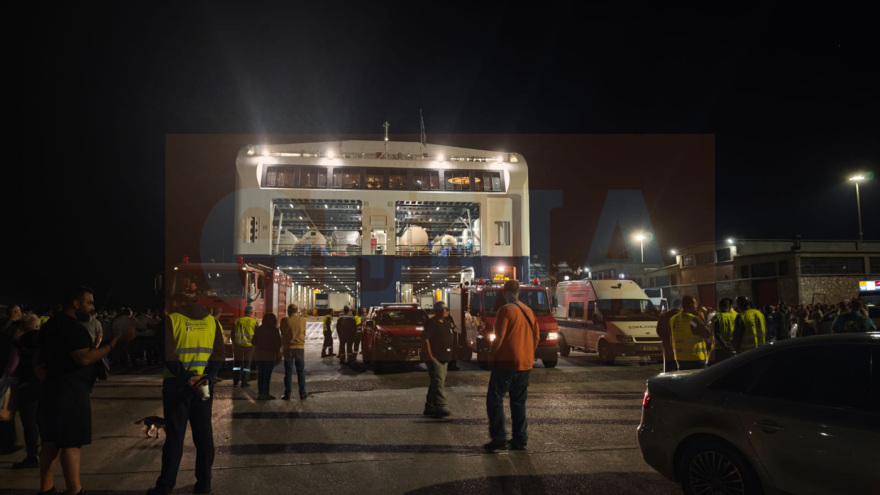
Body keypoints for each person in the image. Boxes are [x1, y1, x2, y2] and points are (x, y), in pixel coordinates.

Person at [38, 286, 133, 495]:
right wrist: (111, 346)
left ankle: (46, 489)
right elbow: (83, 357)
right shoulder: (72, 328)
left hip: (50, 391)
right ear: (76, 303)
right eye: (89, 302)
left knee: (51, 442)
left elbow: (38, 357)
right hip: (70, 393)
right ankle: (75, 490)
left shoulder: (51, 325)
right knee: (72, 443)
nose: (92, 307)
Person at [147, 293, 225, 495]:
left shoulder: (171, 320)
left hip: (177, 386)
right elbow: (218, 354)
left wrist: (185, 377)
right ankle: (204, 483)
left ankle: (165, 487)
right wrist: (209, 376)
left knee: (174, 437)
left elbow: (167, 354)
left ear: (176, 303)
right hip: (204, 385)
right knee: (204, 435)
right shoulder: (212, 322)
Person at [484, 280, 540, 452]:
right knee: (518, 402)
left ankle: (499, 437)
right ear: (519, 292)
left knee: (495, 399)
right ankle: (520, 439)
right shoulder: (529, 312)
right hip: (525, 364)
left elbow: (499, 336)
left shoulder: (505, 310)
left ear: (504, 292)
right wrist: (527, 354)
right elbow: (536, 338)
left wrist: (492, 355)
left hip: (506, 363)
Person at [12, 314, 42, 468]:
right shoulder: (46, 342)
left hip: (26, 387)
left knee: (29, 424)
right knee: (43, 421)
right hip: (45, 386)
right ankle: (47, 453)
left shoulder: (20, 345)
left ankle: (32, 455)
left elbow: (12, 367)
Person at [422, 301, 454, 418]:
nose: (445, 311)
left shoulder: (446, 322)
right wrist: (430, 355)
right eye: (442, 309)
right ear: (436, 311)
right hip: (434, 357)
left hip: (444, 358)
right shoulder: (432, 323)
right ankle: (441, 406)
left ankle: (429, 406)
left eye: (446, 308)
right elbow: (426, 339)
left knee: (436, 382)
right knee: (439, 381)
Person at [669, 295, 712, 371]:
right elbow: (707, 334)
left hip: (680, 358)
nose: (696, 307)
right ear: (691, 305)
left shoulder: (673, 319)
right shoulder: (693, 320)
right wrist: (702, 318)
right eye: (695, 304)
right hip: (696, 358)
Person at [280, 304, 307, 400]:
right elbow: (304, 332)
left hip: (288, 348)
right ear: (297, 311)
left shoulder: (285, 320)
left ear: (288, 311)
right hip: (299, 348)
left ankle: (287, 393)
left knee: (288, 371)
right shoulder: (302, 320)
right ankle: (302, 393)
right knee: (301, 371)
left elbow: (282, 332)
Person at [252, 313, 281, 400]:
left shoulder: (259, 329)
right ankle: (265, 393)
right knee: (267, 375)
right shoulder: (274, 330)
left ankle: (260, 393)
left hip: (259, 354)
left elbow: (253, 341)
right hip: (269, 355)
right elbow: (278, 343)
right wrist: (277, 353)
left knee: (260, 374)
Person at [232, 306, 257, 387]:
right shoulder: (254, 322)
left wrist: (234, 343)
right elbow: (257, 334)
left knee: (236, 364)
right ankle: (244, 382)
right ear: (251, 313)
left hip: (238, 345)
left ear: (244, 312)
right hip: (249, 346)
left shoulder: (237, 321)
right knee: (247, 365)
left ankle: (235, 381)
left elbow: (233, 333)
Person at [709, 298, 737, 366]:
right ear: (728, 307)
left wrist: (725, 346)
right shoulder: (735, 317)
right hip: (732, 348)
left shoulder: (716, 317)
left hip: (719, 349)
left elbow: (716, 333)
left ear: (719, 307)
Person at [655, 299, 681, 372]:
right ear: (681, 306)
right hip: (681, 350)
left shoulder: (664, 316)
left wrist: (665, 340)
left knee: (668, 369)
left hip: (667, 348)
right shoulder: (682, 316)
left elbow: (658, 330)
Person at [445, 306, 460, 371]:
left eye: (447, 311)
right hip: (446, 338)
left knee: (453, 352)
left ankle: (453, 365)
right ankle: (447, 365)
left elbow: (453, 325)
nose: (447, 312)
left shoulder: (450, 317)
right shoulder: (442, 318)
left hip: (451, 337)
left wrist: (452, 326)